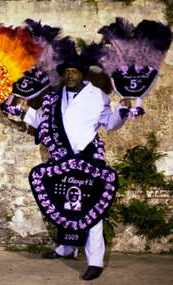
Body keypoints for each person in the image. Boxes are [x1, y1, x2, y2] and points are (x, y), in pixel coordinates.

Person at [18, 60, 142, 281]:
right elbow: (42, 121)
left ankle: (95, 261)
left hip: (87, 158)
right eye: (67, 72)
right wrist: (24, 110)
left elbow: (110, 124)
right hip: (62, 159)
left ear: (82, 74)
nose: (70, 75)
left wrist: (122, 110)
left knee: (92, 209)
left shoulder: (98, 96)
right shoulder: (53, 97)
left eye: (74, 71)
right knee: (63, 204)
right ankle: (66, 248)